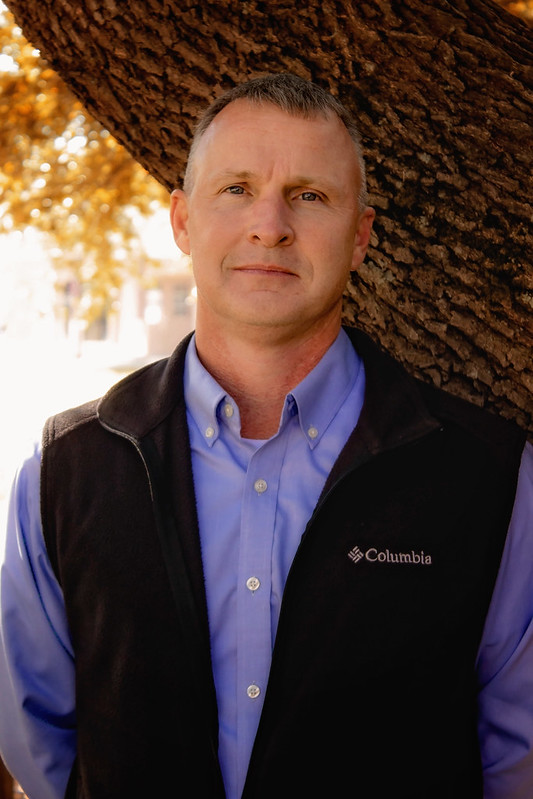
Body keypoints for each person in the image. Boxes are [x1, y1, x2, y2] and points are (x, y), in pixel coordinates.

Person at [0, 73, 532, 799]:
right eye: (236, 189)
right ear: (182, 222)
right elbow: (42, 739)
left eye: (309, 196)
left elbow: (518, 754)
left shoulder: (489, 476)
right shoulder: (65, 468)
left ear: (360, 237)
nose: (270, 225)